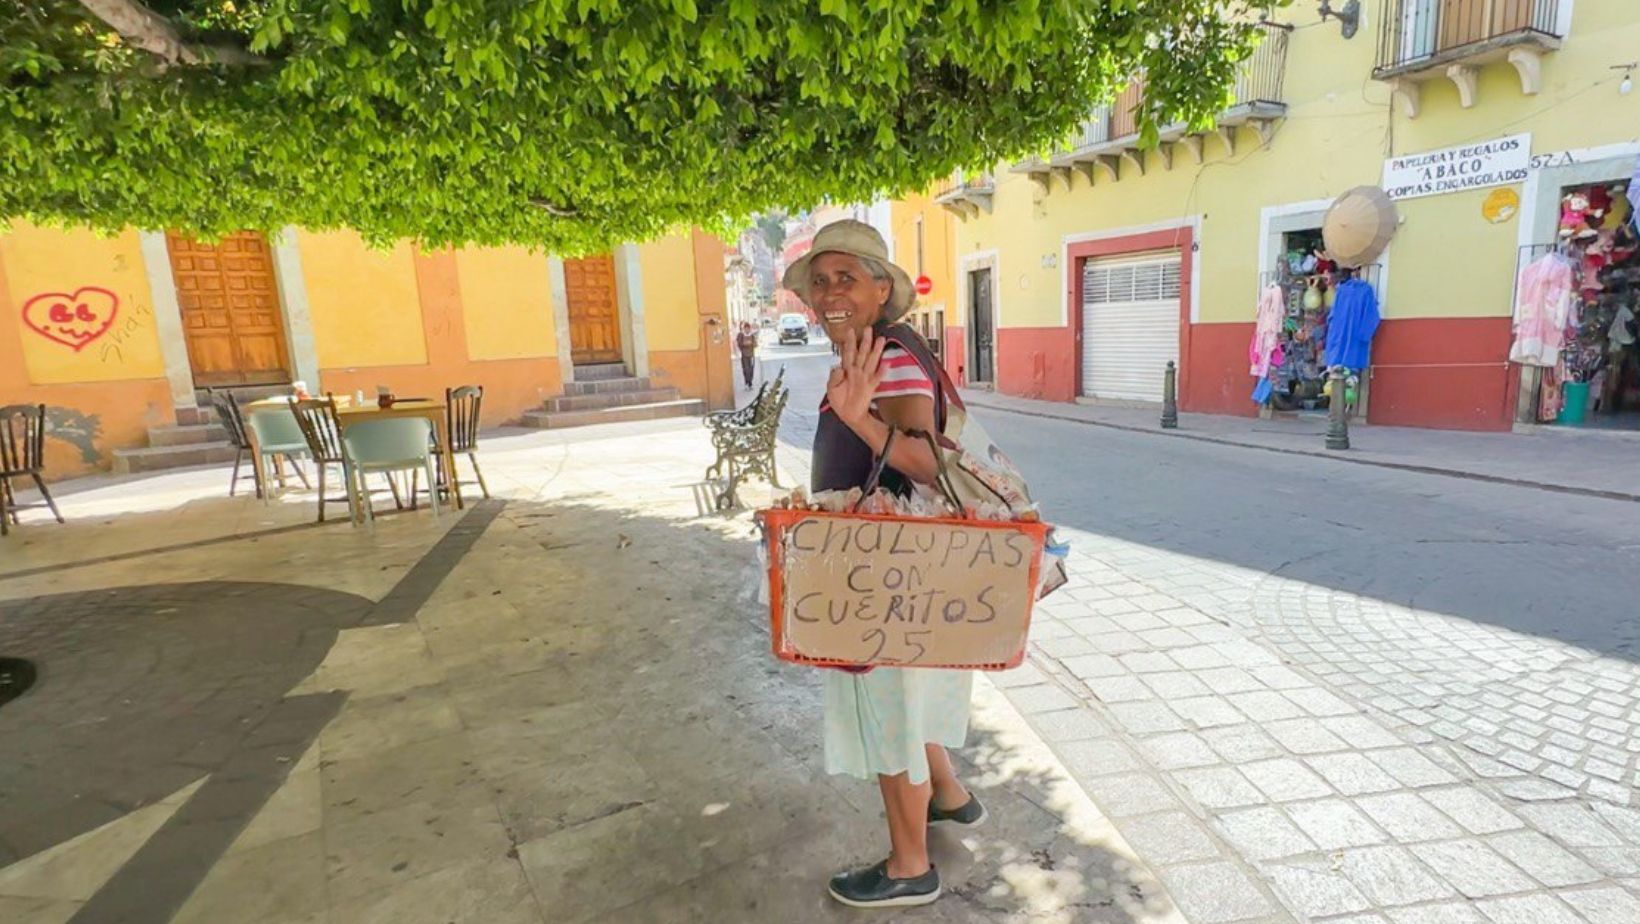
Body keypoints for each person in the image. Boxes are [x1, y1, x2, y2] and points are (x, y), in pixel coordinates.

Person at [780, 220, 984, 909]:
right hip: (896, 568)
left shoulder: (888, 354)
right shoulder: (880, 349)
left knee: (885, 704)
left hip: (883, 572)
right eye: (820, 281)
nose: (830, 292)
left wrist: (858, 418)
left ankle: (908, 867)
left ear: (879, 287)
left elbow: (925, 464)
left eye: (847, 278)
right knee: (906, 695)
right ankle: (949, 797)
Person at [735, 321, 759, 389]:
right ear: (744, 329)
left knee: (751, 369)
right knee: (746, 369)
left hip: (751, 354)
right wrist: (744, 345)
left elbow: (755, 344)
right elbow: (738, 343)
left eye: (748, 328)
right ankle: (746, 382)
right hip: (744, 355)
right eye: (746, 328)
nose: (747, 330)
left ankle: (750, 382)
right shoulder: (741, 335)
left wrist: (751, 343)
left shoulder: (752, 335)